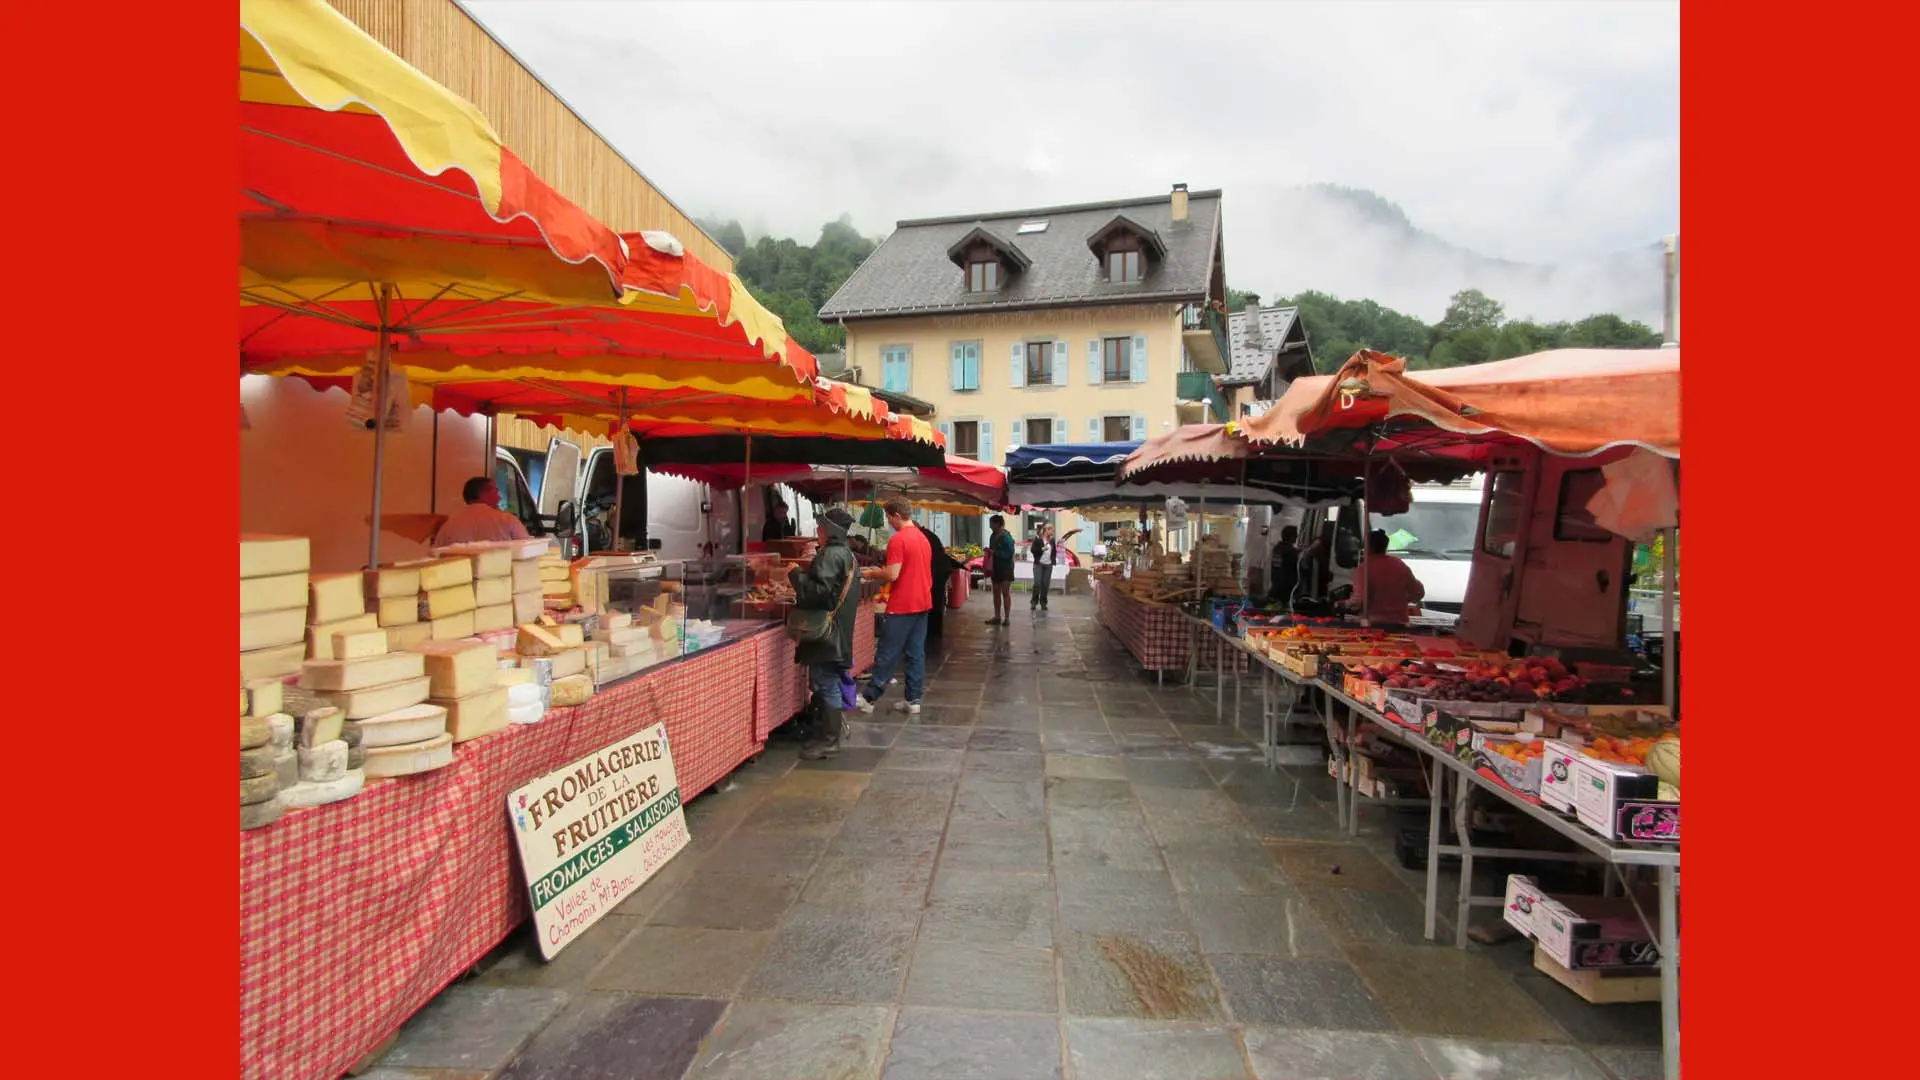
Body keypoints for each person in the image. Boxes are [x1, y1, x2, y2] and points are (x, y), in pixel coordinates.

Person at [787, 505, 861, 759]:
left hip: (828, 634)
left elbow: (817, 594)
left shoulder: (831, 555)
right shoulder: (845, 553)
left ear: (830, 531)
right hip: (837, 632)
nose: (817, 530)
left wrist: (795, 575)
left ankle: (830, 739)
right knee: (824, 681)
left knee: (826, 683)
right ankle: (825, 733)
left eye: (820, 527)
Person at [857, 497, 933, 715]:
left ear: (896, 515)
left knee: (887, 651)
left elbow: (892, 574)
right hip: (922, 602)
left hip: (902, 604)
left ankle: (870, 698)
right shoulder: (922, 538)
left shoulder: (898, 540)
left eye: (889, 518)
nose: (889, 523)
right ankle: (913, 699)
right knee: (915, 653)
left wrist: (871, 573)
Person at [1348, 528, 1426, 628]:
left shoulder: (1364, 568)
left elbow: (1358, 600)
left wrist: (1345, 604)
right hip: (1400, 625)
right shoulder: (1399, 564)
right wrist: (1402, 599)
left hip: (1372, 626)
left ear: (1368, 547)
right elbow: (1418, 593)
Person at [432, 476, 530, 546]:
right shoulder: (507, 520)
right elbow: (528, 549)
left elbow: (436, 556)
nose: (499, 497)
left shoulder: (449, 525)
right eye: (496, 492)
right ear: (484, 494)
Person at [915, 520, 960, 639]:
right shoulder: (926, 534)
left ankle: (933, 632)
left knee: (935, 599)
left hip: (938, 571)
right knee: (936, 600)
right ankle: (934, 631)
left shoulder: (923, 536)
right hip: (940, 569)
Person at [985, 514, 1016, 625]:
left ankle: (1007, 618)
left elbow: (1010, 553)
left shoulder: (1006, 537)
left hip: (1006, 568)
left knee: (1005, 592)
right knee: (996, 592)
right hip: (996, 567)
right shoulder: (993, 536)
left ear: (997, 524)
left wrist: (994, 552)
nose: (990, 526)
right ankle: (997, 616)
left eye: (991, 524)